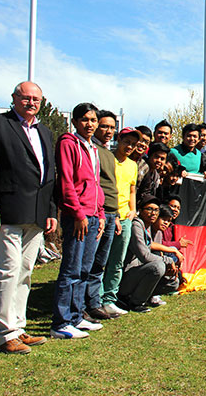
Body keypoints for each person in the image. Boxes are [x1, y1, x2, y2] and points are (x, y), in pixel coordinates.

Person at [0, 81, 56, 354]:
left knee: (25, 272)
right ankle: (5, 333)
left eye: (36, 99)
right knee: (7, 271)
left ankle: (19, 328)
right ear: (14, 98)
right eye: (26, 97)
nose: (31, 102)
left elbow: (49, 176)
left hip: (36, 214)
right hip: (6, 211)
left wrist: (51, 211)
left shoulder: (44, 131)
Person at [51, 102, 106, 339]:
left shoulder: (93, 148)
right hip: (78, 217)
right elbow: (66, 181)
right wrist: (78, 214)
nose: (90, 124)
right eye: (85, 119)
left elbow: (96, 184)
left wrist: (101, 213)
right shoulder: (68, 143)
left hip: (94, 216)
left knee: (84, 269)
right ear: (74, 122)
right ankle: (61, 322)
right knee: (71, 269)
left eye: (93, 120)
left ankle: (77, 316)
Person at [84, 110, 121, 322]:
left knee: (100, 262)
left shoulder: (108, 152)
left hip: (110, 213)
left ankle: (94, 303)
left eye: (111, 127)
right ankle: (80, 306)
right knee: (86, 262)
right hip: (95, 213)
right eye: (104, 126)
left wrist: (114, 215)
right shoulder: (91, 149)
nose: (108, 131)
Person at [100, 127, 140, 318]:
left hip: (125, 218)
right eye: (127, 142)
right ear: (119, 140)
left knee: (117, 260)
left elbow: (132, 190)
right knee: (101, 259)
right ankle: (95, 299)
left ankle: (109, 298)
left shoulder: (133, 165)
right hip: (107, 215)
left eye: (133, 144)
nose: (130, 146)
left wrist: (132, 211)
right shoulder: (107, 159)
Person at [118, 196, 178, 313]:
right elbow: (144, 256)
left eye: (156, 210)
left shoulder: (150, 227)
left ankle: (147, 296)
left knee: (173, 282)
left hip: (141, 271)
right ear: (140, 210)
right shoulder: (137, 225)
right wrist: (168, 261)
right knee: (158, 266)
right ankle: (135, 302)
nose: (153, 213)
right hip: (128, 274)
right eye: (149, 209)